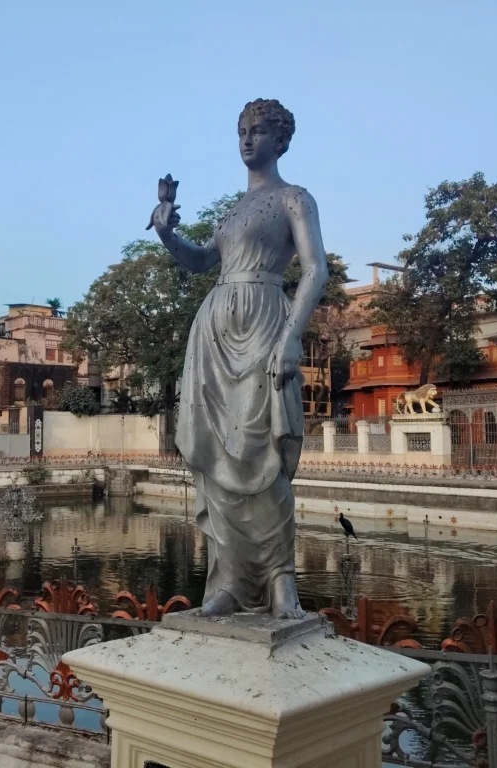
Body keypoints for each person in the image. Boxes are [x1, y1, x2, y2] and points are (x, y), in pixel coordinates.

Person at [148, 98, 327, 619]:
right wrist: (165, 233)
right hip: (215, 334)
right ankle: (228, 582)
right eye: (242, 131)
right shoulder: (233, 210)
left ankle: (279, 581)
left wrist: (293, 337)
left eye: (259, 131)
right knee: (219, 461)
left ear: (281, 141)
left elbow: (315, 270)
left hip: (266, 323)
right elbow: (203, 260)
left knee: (263, 456)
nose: (248, 139)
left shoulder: (295, 198)